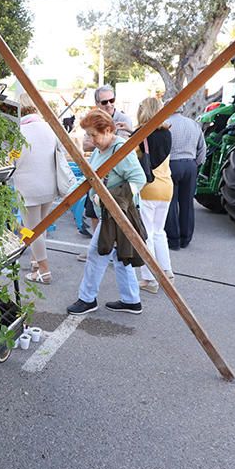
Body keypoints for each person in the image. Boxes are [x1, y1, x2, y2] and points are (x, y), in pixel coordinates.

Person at [67, 109, 148, 316]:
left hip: (116, 215)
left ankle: (87, 299)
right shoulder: (101, 149)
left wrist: (109, 197)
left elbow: (139, 179)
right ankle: (131, 300)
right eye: (89, 134)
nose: (90, 139)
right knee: (121, 256)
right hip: (109, 214)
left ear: (109, 130)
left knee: (96, 253)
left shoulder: (120, 150)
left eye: (94, 134)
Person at [77, 85, 133, 254]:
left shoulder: (123, 120)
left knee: (115, 223)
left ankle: (106, 248)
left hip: (115, 187)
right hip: (97, 182)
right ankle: (99, 245)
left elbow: (121, 150)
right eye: (104, 101)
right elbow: (85, 145)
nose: (109, 104)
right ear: (97, 103)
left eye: (112, 100)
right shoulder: (92, 119)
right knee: (93, 214)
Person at [12, 101, 61, 285]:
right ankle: (35, 262)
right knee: (42, 226)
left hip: (27, 189)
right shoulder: (49, 128)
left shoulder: (19, 132)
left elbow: (12, 159)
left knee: (30, 230)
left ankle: (44, 270)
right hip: (49, 186)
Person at [134, 97, 174, 293]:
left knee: (146, 233)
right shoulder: (167, 133)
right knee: (159, 231)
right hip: (167, 186)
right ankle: (167, 271)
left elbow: (132, 158)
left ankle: (149, 278)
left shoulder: (141, 134)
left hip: (149, 187)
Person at [164, 109, 206, 250]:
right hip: (190, 164)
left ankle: (173, 239)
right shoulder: (194, 124)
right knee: (187, 203)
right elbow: (202, 148)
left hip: (172, 164)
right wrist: (195, 164)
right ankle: (186, 238)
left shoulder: (166, 124)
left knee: (171, 203)